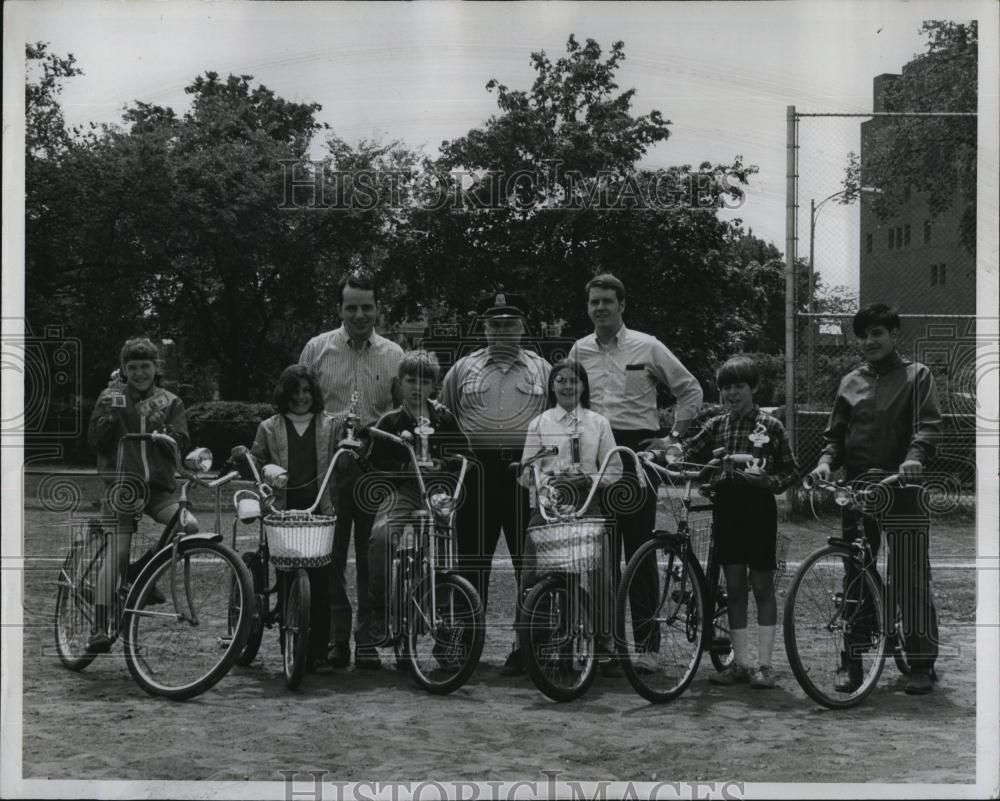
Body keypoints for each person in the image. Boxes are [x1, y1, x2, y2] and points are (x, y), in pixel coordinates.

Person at [567, 273, 703, 666]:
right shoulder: (579, 350)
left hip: (635, 457)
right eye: (594, 302)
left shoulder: (648, 346)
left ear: (622, 305)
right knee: (600, 556)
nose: (601, 308)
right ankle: (607, 645)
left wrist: (672, 437)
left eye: (608, 301)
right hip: (594, 456)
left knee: (639, 549)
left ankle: (646, 648)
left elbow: (690, 389)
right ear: (588, 306)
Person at [809, 303, 942, 695]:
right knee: (856, 573)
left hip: (902, 487)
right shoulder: (850, 381)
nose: (869, 341)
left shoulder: (918, 377)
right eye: (863, 335)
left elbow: (929, 428)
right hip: (858, 491)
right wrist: (824, 463)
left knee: (909, 575)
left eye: (877, 334)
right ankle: (853, 660)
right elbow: (835, 436)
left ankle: (920, 665)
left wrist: (914, 460)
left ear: (893, 335)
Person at [651, 355, 798, 689]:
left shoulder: (770, 426)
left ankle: (764, 664)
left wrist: (769, 482)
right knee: (733, 588)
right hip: (727, 511)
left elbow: (791, 471)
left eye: (739, 387)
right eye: (726, 388)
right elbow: (687, 449)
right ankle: (740, 664)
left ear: (753, 388)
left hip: (759, 511)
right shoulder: (718, 424)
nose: (732, 394)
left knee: (761, 586)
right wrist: (662, 452)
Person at [441, 292, 551, 675]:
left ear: (522, 326)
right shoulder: (461, 370)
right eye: (495, 324)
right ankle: (465, 647)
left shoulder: (543, 370)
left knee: (531, 565)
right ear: (484, 327)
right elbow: (446, 416)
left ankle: (529, 647)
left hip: (525, 474)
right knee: (471, 562)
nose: (502, 330)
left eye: (510, 323)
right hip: (476, 474)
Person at [299, 273, 404, 669]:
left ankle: (367, 640)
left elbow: (403, 413)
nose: (360, 314)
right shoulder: (317, 349)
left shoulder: (394, 354)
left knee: (371, 558)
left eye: (367, 307)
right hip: (329, 470)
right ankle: (335, 640)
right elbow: (299, 401)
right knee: (328, 556)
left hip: (375, 470)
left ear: (378, 308)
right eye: (351, 307)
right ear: (340, 309)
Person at [86, 337, 194, 653]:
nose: (139, 373)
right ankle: (99, 625)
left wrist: (166, 431)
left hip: (158, 487)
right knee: (117, 551)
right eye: (132, 367)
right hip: (121, 486)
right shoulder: (111, 397)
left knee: (189, 525)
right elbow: (94, 441)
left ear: (155, 368)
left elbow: (182, 443)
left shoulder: (170, 401)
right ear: (124, 369)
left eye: (145, 366)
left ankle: (140, 573)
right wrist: (107, 419)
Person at [517, 359, 623, 676]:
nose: (567, 386)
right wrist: (548, 481)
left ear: (583, 386)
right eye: (560, 380)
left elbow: (614, 469)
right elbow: (525, 473)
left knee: (602, 574)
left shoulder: (597, 423)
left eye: (574, 380)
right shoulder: (539, 423)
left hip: (588, 504)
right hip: (549, 506)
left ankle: (605, 646)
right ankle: (533, 644)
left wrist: (589, 480)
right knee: (531, 574)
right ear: (552, 385)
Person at [364, 350, 471, 649]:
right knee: (382, 536)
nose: (417, 387)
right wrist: (402, 468)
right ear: (400, 383)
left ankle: (445, 622)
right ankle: (381, 613)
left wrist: (445, 464)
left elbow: (466, 456)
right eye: (411, 380)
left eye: (425, 381)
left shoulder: (444, 419)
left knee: (446, 543)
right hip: (401, 492)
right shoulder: (389, 422)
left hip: (435, 492)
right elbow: (373, 463)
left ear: (434, 386)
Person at [250, 365, 339, 674]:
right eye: (295, 392)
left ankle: (319, 652)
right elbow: (257, 460)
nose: (301, 397)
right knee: (287, 576)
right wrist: (258, 467)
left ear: (314, 394)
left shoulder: (331, 425)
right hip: (283, 510)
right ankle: (291, 646)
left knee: (322, 582)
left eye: (306, 391)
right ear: (284, 394)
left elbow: (344, 458)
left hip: (319, 509)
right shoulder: (269, 427)